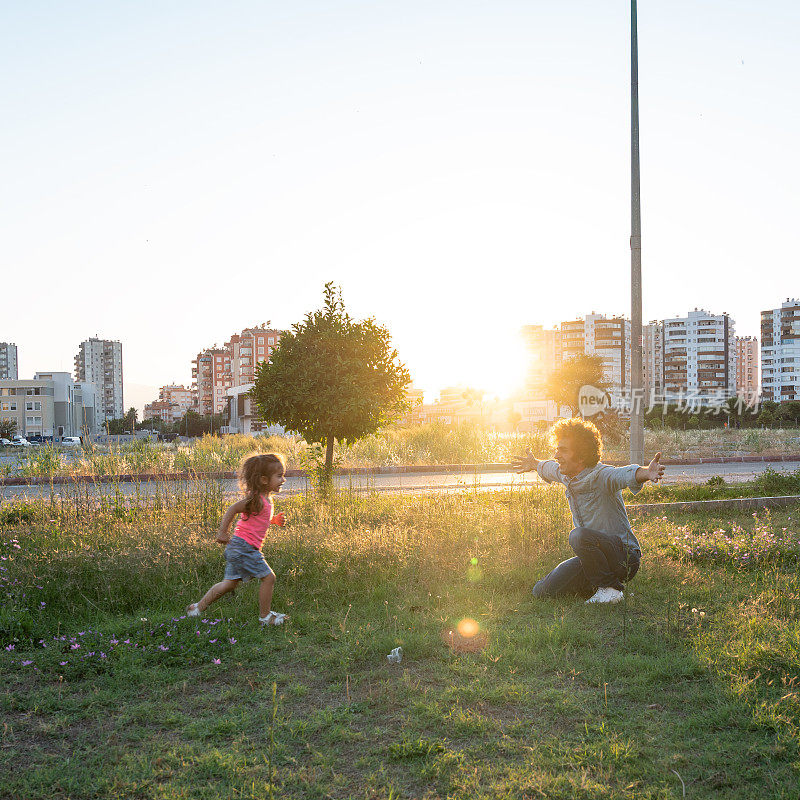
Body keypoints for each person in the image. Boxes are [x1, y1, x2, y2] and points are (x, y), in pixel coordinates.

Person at [512, 417, 664, 604]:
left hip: (624, 557)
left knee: (578, 536)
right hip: (593, 559)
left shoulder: (601, 476)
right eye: (557, 449)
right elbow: (549, 467)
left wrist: (646, 473)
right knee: (542, 591)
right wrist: (534, 463)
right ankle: (598, 585)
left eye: (563, 450)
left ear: (582, 456)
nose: (557, 455)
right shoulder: (566, 473)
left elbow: (622, 474)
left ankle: (611, 590)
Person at [186, 453, 289, 626]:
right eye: (279, 476)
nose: (283, 480)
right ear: (264, 479)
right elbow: (233, 508)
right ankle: (265, 617)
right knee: (269, 578)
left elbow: (259, 519)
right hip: (244, 547)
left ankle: (196, 608)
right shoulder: (256, 500)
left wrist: (274, 520)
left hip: (239, 547)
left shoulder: (265, 500)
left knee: (229, 584)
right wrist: (222, 532)